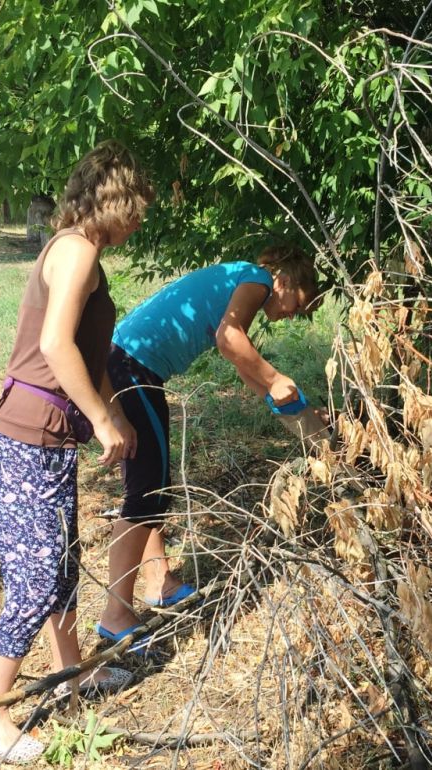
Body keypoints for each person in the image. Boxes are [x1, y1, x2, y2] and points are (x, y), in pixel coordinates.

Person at [0, 140, 154, 764]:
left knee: (63, 565)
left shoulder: (86, 254)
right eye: (136, 206)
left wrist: (116, 414)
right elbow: (55, 346)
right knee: (36, 580)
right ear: (111, 198)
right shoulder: (75, 251)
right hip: (25, 438)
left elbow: (88, 353)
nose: (140, 219)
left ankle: (71, 674)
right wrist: (102, 420)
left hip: (46, 439)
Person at [97, 245, 318, 646]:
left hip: (128, 363)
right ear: (285, 280)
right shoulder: (257, 280)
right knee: (148, 492)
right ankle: (115, 615)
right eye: (297, 305)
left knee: (150, 485)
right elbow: (229, 339)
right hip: (131, 368)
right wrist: (275, 379)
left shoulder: (241, 278)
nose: (291, 315)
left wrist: (282, 400)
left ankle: (159, 581)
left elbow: (242, 360)